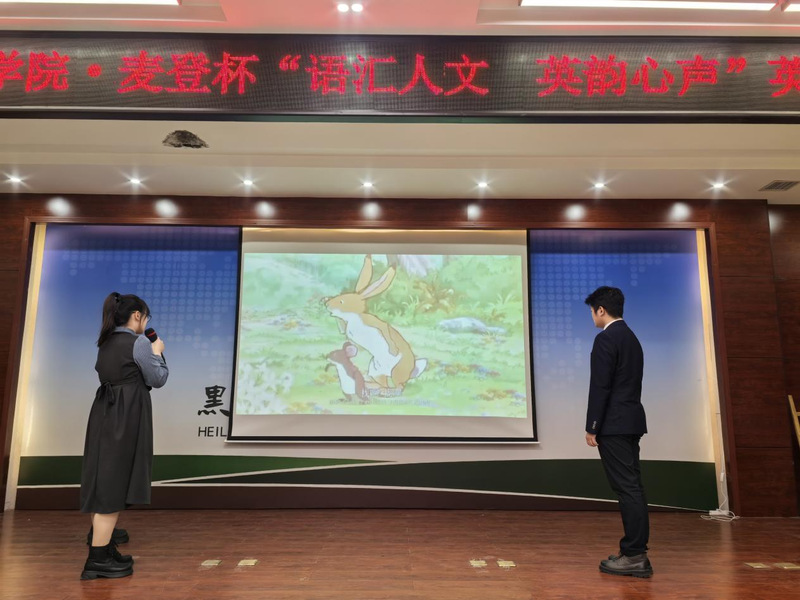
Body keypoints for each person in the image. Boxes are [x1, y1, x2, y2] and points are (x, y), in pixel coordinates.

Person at [79, 292, 169, 580]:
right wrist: (158, 352)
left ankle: (103, 547)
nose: (146, 323)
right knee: (114, 484)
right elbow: (158, 379)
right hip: (126, 415)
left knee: (104, 479)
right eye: (146, 317)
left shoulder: (105, 341)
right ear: (137, 316)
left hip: (105, 411)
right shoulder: (139, 343)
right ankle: (97, 559)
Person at [584, 286, 652, 578]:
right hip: (631, 421)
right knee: (632, 487)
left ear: (601, 310)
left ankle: (635, 555)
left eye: (592, 311)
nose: (592, 316)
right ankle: (633, 552)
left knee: (627, 489)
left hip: (614, 425)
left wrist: (592, 426)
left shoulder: (606, 338)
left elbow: (600, 386)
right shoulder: (631, 337)